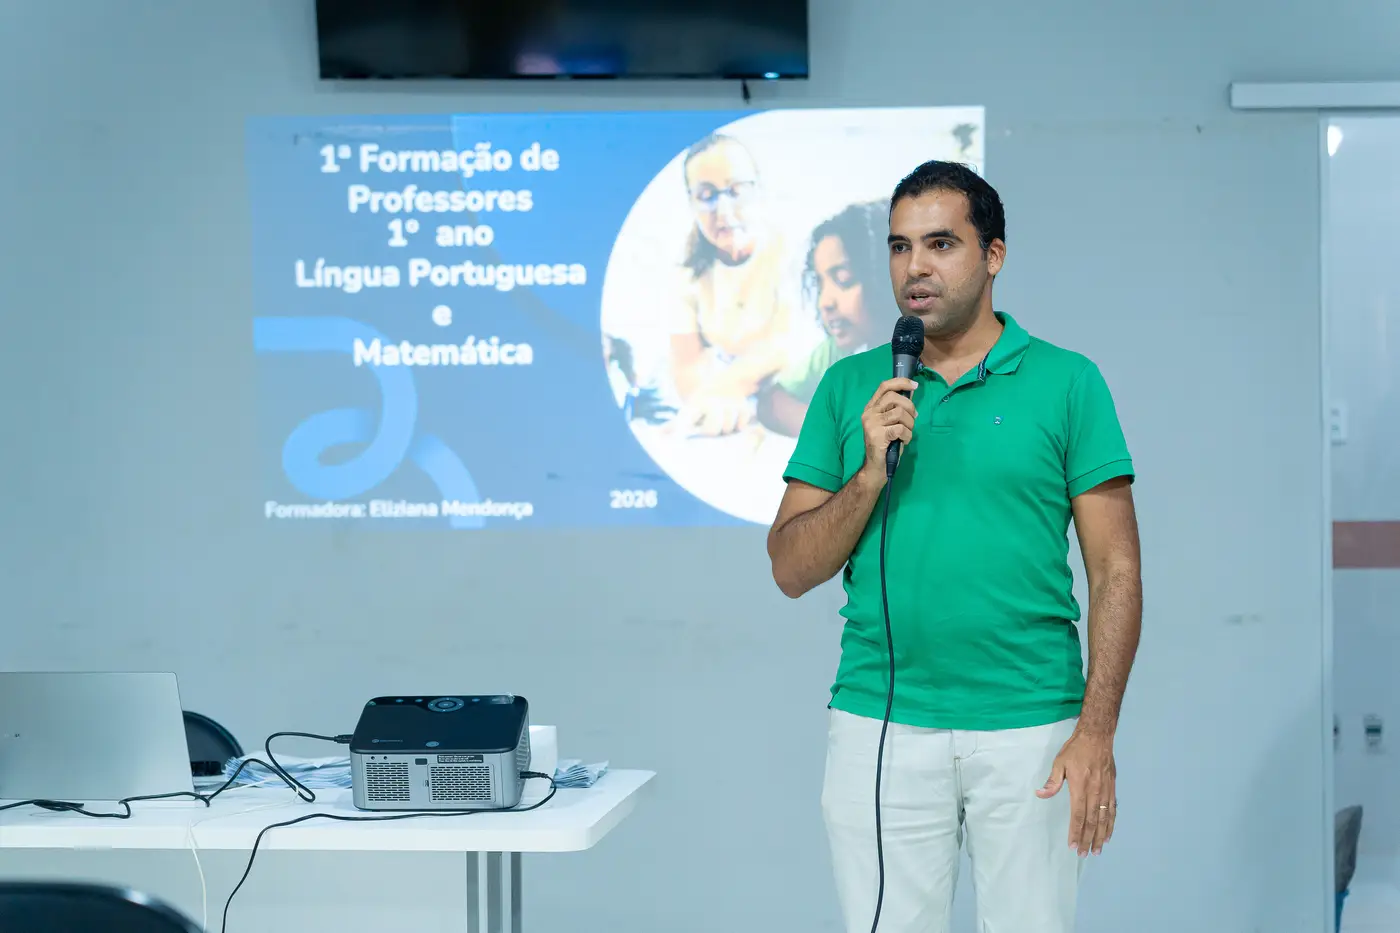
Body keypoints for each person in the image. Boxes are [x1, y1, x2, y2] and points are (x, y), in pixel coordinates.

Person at [766, 160, 1142, 933]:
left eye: (940, 243)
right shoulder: (851, 387)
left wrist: (1096, 730)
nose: (916, 267)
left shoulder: (1068, 382)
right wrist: (869, 474)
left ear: (993, 254)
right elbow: (791, 568)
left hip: (1032, 722)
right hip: (882, 721)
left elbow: (1116, 569)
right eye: (900, 247)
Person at [667, 133, 802, 436]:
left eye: (736, 191)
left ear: (759, 191)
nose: (724, 211)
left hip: (792, 388)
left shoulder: (790, 249)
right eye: (706, 196)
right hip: (729, 399)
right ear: (691, 203)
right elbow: (686, 364)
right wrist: (708, 405)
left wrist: (721, 390)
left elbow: (784, 346)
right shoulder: (685, 271)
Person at [758, 199, 898, 437]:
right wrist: (825, 431)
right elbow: (773, 399)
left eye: (844, 279)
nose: (825, 301)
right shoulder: (839, 352)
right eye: (820, 283)